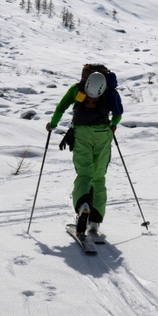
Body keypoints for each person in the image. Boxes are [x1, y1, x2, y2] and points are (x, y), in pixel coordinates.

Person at [46, 65, 123, 234]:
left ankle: (83, 207)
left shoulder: (77, 89)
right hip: (103, 134)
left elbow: (61, 108)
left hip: (81, 134)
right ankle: (95, 221)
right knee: (99, 177)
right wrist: (113, 126)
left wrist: (52, 124)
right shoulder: (109, 90)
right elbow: (118, 114)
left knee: (84, 174)